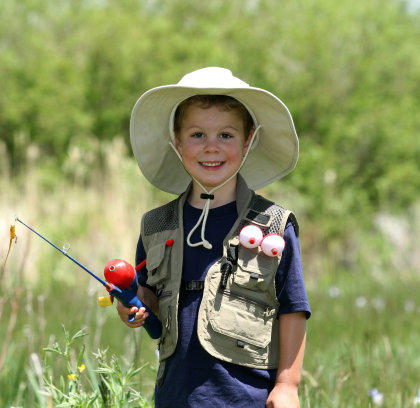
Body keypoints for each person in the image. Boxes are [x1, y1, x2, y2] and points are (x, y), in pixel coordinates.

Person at [116, 67, 311, 408]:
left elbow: (293, 309)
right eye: (196, 135)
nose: (211, 148)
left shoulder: (275, 226)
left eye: (225, 135)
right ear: (176, 142)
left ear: (248, 141)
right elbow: (148, 296)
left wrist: (287, 385)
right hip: (175, 397)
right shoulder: (156, 226)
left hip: (248, 397)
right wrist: (131, 304)